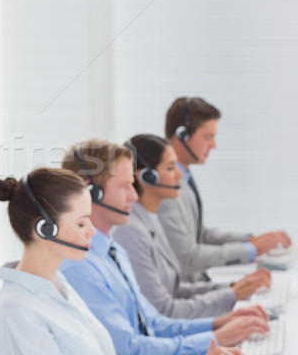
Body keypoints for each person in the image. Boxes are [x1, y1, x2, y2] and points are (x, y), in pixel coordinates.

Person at [60, 139, 269, 355]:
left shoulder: (114, 252)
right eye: (124, 186)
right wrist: (212, 341)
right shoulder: (80, 267)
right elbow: (127, 349)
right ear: (90, 191)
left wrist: (216, 325)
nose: (134, 195)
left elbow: (154, 323)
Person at [113, 134, 271, 319]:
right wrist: (231, 296)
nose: (180, 175)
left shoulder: (150, 219)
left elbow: (176, 289)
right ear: (147, 177)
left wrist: (232, 288)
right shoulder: (130, 231)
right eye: (171, 168)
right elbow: (164, 310)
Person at [157, 97, 291, 281]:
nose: (214, 145)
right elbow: (187, 256)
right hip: (185, 295)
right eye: (208, 137)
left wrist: (250, 240)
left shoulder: (184, 177)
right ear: (182, 134)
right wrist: (251, 249)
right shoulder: (164, 188)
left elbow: (199, 234)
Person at [0, 168, 116, 355]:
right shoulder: (18, 309)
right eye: (81, 223)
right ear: (45, 228)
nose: (92, 231)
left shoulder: (59, 284)